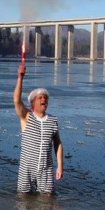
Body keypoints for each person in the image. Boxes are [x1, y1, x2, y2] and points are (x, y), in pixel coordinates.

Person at [12, 63, 64, 193]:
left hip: (46, 169)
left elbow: (58, 144)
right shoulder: (26, 117)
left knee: (47, 200)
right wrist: (20, 77)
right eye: (40, 97)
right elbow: (16, 101)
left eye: (45, 98)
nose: (43, 99)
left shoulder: (52, 120)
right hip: (27, 168)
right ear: (33, 103)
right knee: (22, 198)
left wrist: (60, 166)